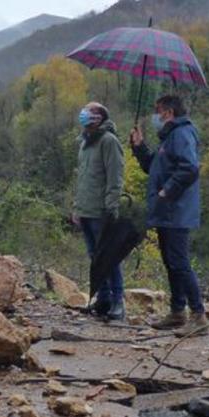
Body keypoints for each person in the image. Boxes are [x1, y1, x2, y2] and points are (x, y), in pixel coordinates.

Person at [130, 95, 206, 333]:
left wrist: (167, 191)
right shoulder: (169, 137)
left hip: (177, 210)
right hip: (167, 211)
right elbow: (153, 166)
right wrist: (139, 146)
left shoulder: (182, 134)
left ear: (169, 112)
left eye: (158, 110)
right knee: (171, 262)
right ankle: (177, 311)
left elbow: (190, 168)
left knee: (179, 262)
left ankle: (198, 315)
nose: (155, 115)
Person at [72, 102, 126, 320]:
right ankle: (102, 299)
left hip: (101, 211)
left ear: (100, 118)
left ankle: (117, 301)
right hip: (85, 209)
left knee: (109, 257)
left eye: (90, 111)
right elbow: (82, 178)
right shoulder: (85, 142)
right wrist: (76, 207)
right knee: (95, 258)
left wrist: (112, 207)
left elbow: (115, 177)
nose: (84, 114)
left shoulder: (109, 141)